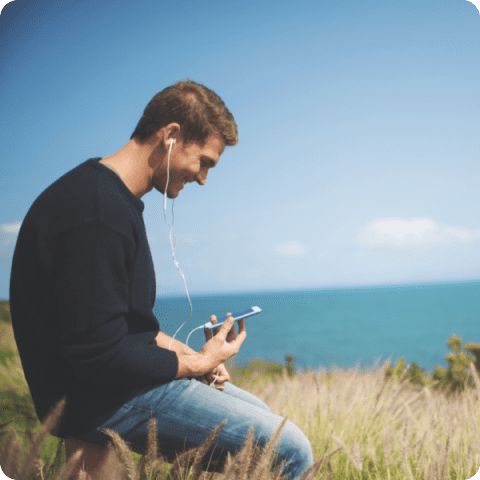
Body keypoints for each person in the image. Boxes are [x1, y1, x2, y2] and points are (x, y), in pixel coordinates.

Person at [9, 80, 314, 478]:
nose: (203, 178)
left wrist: (190, 358)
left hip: (106, 386)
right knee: (290, 449)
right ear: (171, 136)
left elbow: (125, 326)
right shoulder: (96, 212)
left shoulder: (108, 198)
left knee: (260, 415)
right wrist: (199, 361)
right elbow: (97, 355)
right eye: (204, 161)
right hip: (98, 397)